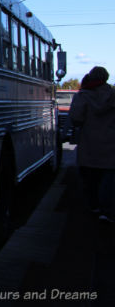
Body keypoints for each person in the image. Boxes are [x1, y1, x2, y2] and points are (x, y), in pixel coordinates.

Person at [69, 66, 115, 222]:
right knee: (108, 179)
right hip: (111, 145)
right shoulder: (112, 95)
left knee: (90, 179)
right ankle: (106, 210)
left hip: (89, 144)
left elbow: (76, 118)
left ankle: (93, 206)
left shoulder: (83, 96)